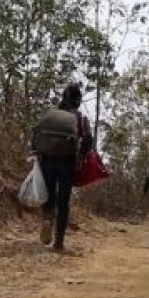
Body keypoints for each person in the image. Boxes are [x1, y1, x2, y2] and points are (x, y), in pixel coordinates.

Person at [31, 83, 93, 252]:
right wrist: (81, 155)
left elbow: (36, 133)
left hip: (47, 160)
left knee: (49, 194)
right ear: (78, 101)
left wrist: (36, 153)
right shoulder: (80, 118)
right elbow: (87, 138)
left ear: (63, 98)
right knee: (63, 201)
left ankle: (47, 219)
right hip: (67, 162)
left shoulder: (50, 114)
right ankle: (59, 241)